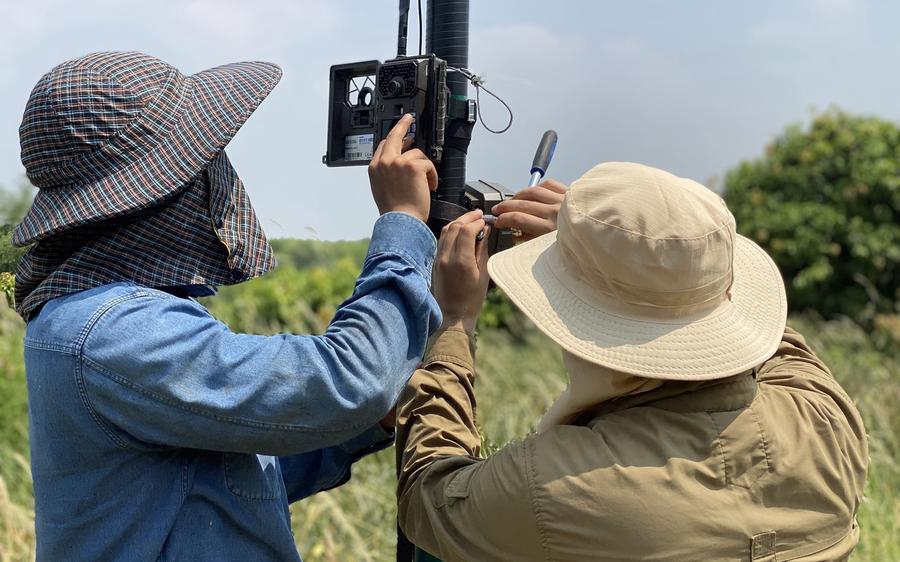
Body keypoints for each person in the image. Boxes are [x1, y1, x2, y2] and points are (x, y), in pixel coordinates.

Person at [14, 51, 448, 561]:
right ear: (167, 188)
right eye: (206, 160)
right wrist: (403, 223)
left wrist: (373, 421)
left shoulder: (94, 315)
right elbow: (351, 382)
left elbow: (227, 479)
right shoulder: (117, 329)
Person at [396, 162, 869, 561]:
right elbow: (768, 342)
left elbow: (427, 499)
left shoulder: (556, 486)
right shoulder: (827, 418)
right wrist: (653, 256)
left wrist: (454, 322)